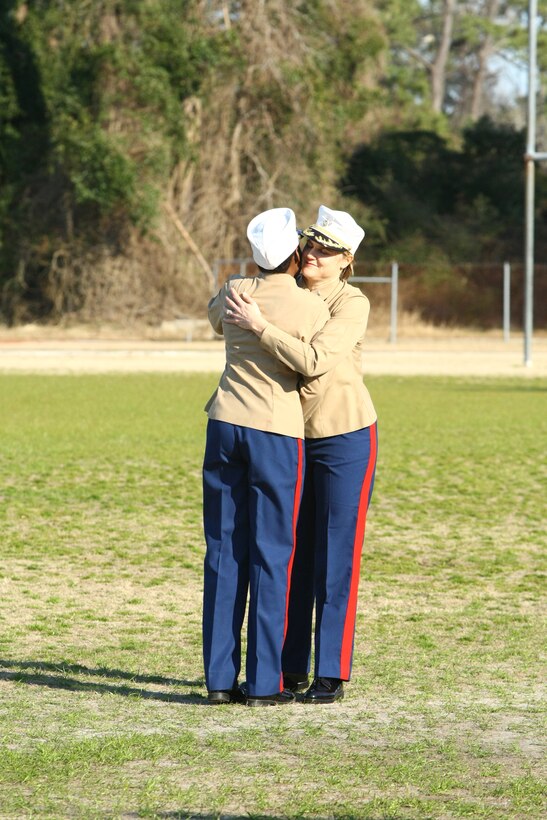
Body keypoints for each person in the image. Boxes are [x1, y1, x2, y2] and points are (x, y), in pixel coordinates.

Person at [224, 205, 378, 704]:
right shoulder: (286, 293)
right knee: (288, 554)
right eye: (310, 244)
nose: (313, 253)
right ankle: (284, 669)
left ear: (346, 260)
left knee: (335, 554)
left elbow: (314, 363)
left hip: (341, 436)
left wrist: (261, 326)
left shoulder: (351, 303)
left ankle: (330, 671)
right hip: (285, 437)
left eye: (327, 249)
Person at [202, 207, 329, 707]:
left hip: (224, 423)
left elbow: (215, 319)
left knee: (223, 551)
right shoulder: (309, 307)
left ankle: (217, 680)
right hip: (276, 431)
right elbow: (315, 367)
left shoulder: (236, 290)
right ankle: (264, 683)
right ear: (296, 255)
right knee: (273, 555)